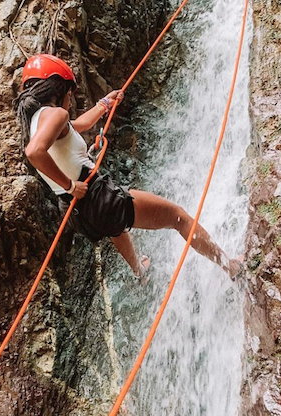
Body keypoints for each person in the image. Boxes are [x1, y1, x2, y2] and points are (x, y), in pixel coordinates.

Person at [15, 53, 241, 280]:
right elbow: (34, 152)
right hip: (94, 196)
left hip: (77, 213)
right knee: (177, 217)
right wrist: (71, 185)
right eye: (70, 93)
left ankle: (139, 271)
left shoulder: (36, 122)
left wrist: (104, 104)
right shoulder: (56, 114)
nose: (70, 100)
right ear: (59, 88)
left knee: (116, 225)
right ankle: (231, 267)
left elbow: (79, 125)